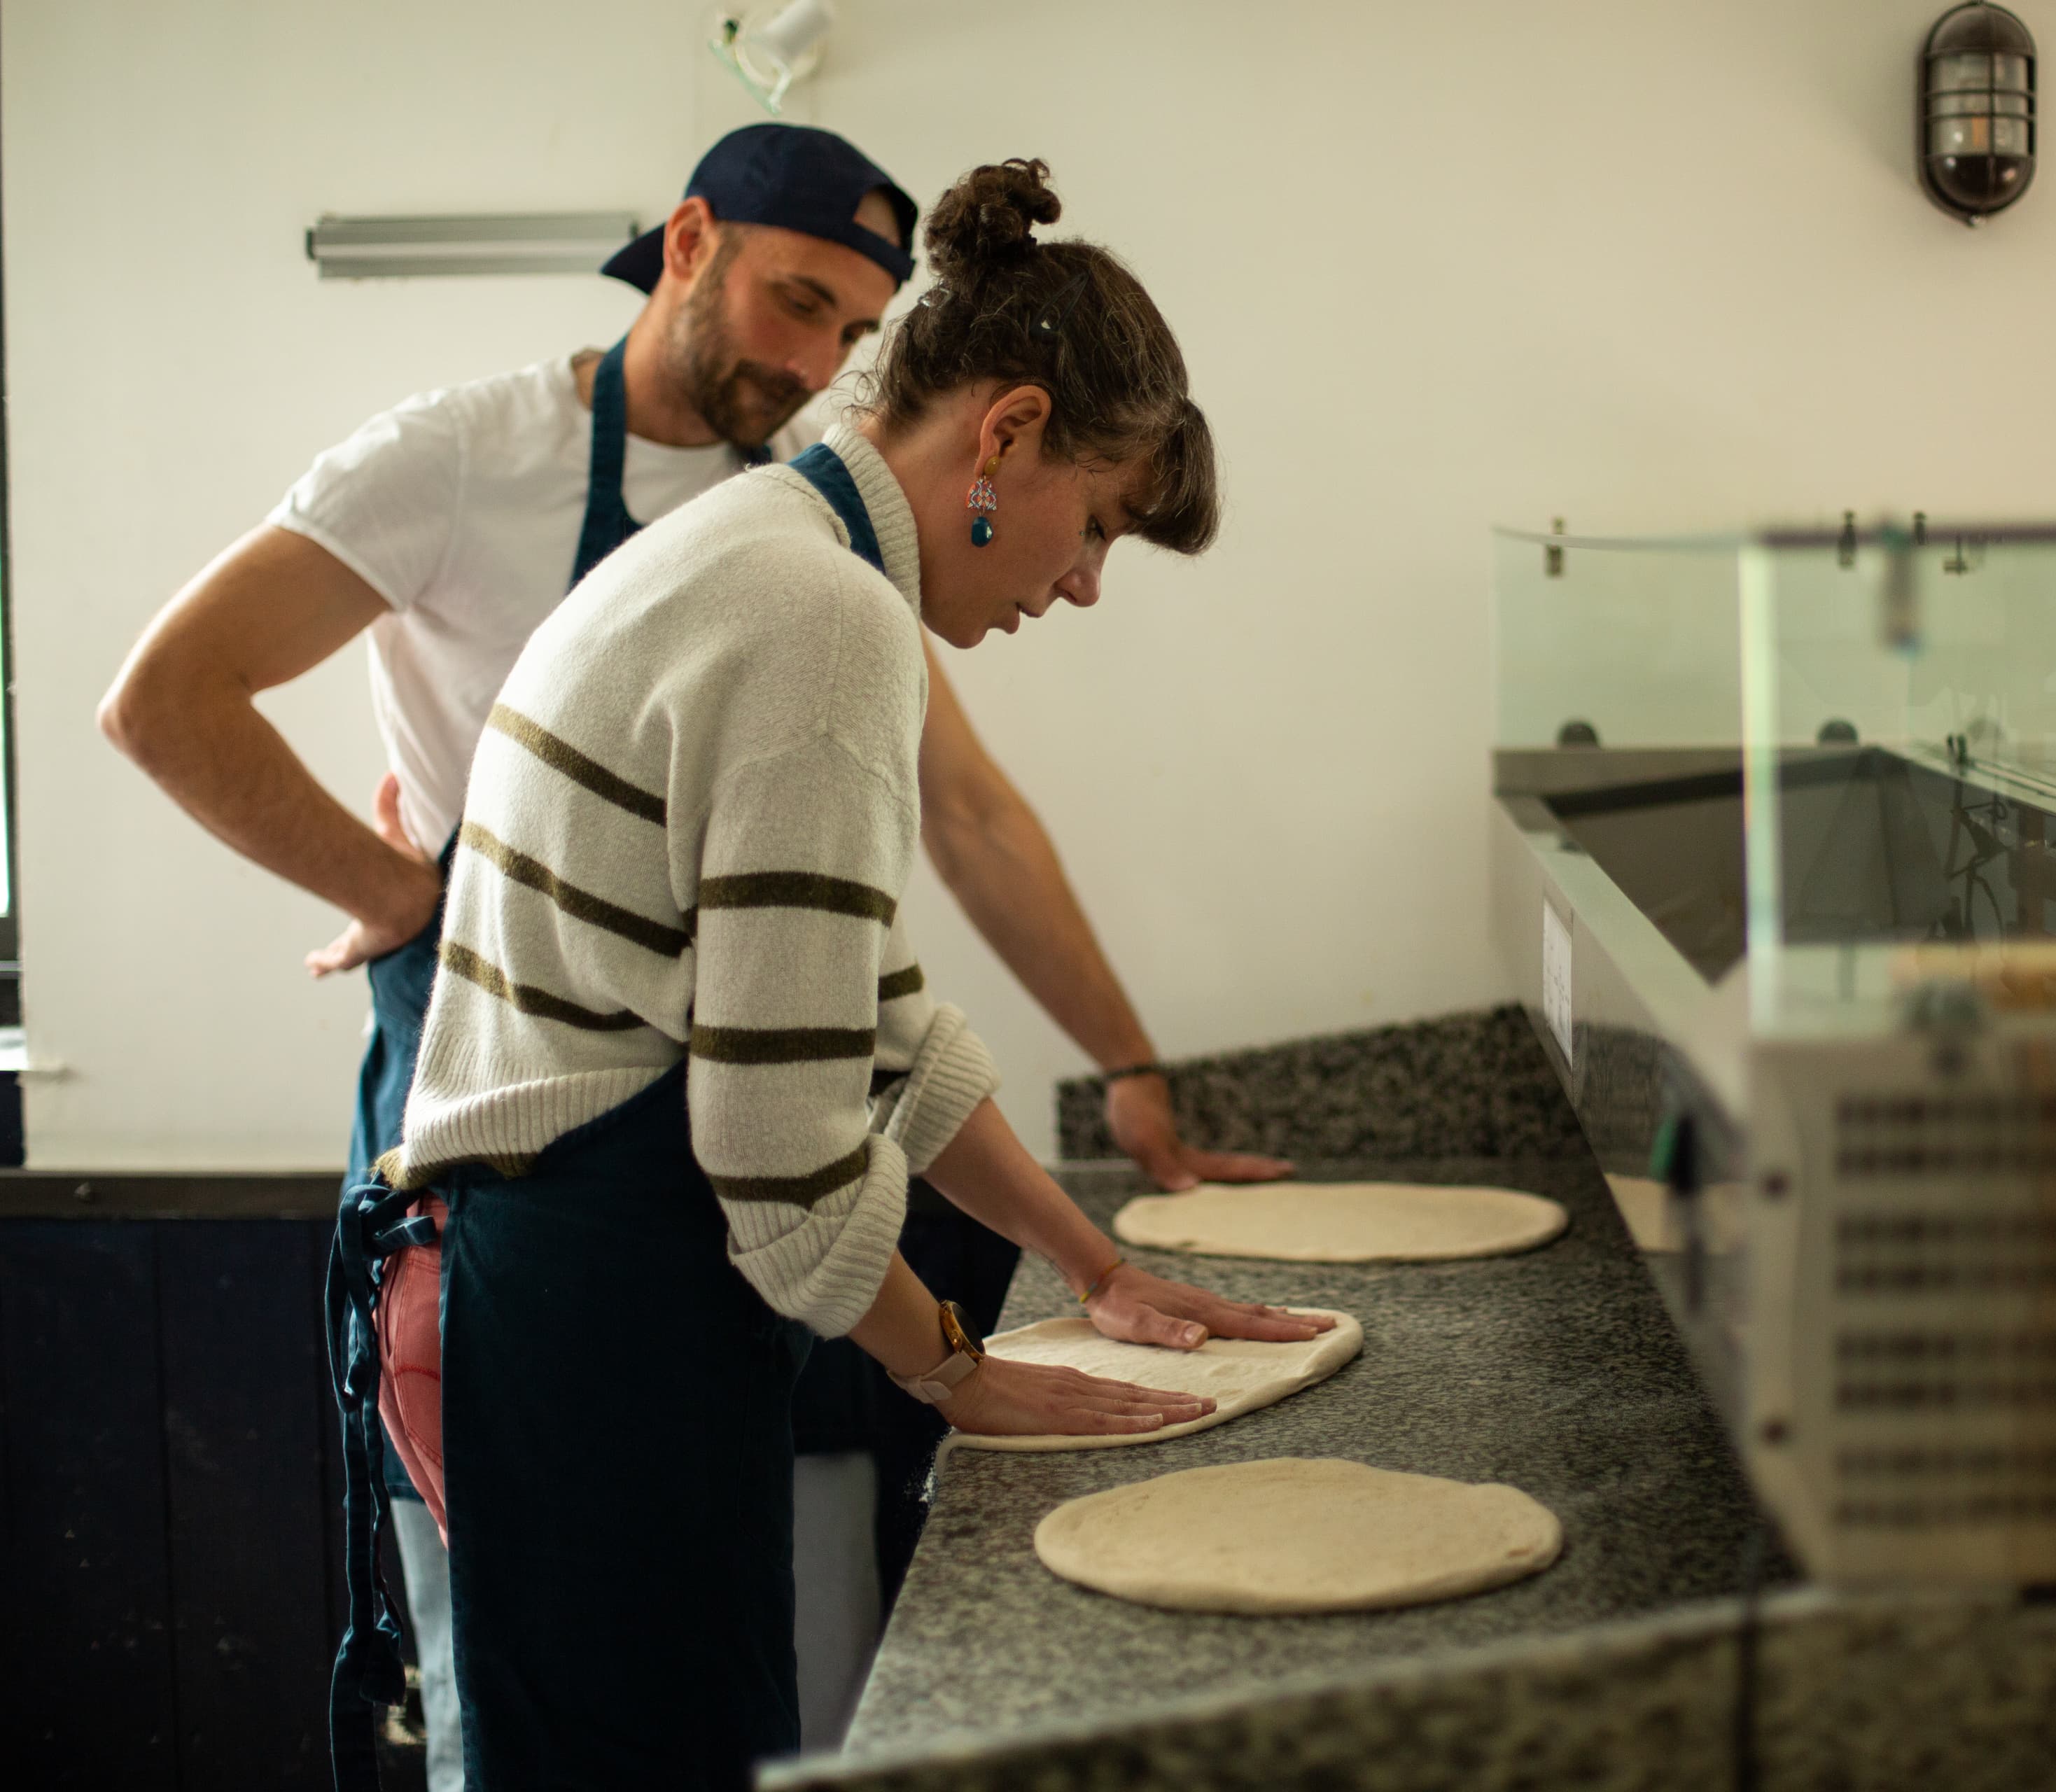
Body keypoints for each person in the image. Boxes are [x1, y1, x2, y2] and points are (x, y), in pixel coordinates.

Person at [97, 125, 1287, 1778]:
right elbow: (782, 1154)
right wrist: (961, 1371)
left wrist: (1088, 1263)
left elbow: (869, 1016)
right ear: (1007, 434)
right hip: (604, 1313)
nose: (1083, 585)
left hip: (571, 1287)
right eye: (1096, 527)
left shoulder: (766, 547)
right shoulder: (824, 615)